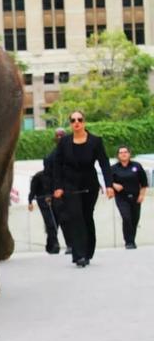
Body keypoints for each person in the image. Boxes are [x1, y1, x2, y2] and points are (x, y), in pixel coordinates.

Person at [53, 111, 114, 267]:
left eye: (79, 119)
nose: (76, 122)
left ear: (84, 122)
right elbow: (57, 165)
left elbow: (104, 164)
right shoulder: (64, 142)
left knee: (86, 216)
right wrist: (58, 186)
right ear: (70, 123)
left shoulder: (95, 141)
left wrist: (109, 185)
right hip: (70, 185)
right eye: (73, 120)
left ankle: (88, 251)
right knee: (75, 217)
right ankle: (79, 255)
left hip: (89, 185)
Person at [111, 145, 148, 249]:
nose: (123, 154)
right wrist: (114, 185)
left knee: (134, 219)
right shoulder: (114, 168)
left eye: (125, 152)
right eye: (121, 152)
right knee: (126, 217)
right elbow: (108, 181)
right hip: (121, 197)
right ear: (118, 155)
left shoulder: (137, 166)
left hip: (136, 197)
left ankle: (132, 240)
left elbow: (144, 183)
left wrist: (142, 195)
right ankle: (129, 242)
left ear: (129, 154)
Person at [43, 127, 72, 254]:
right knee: (64, 219)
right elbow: (47, 177)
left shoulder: (74, 153)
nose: (60, 138)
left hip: (74, 190)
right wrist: (48, 193)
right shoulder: (50, 157)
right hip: (58, 192)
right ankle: (69, 245)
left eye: (62, 136)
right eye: (58, 136)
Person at [28, 169, 60, 253]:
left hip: (54, 200)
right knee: (50, 222)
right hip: (42, 201)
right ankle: (54, 244)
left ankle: (50, 244)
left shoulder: (55, 175)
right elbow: (33, 190)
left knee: (55, 222)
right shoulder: (38, 176)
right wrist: (30, 201)